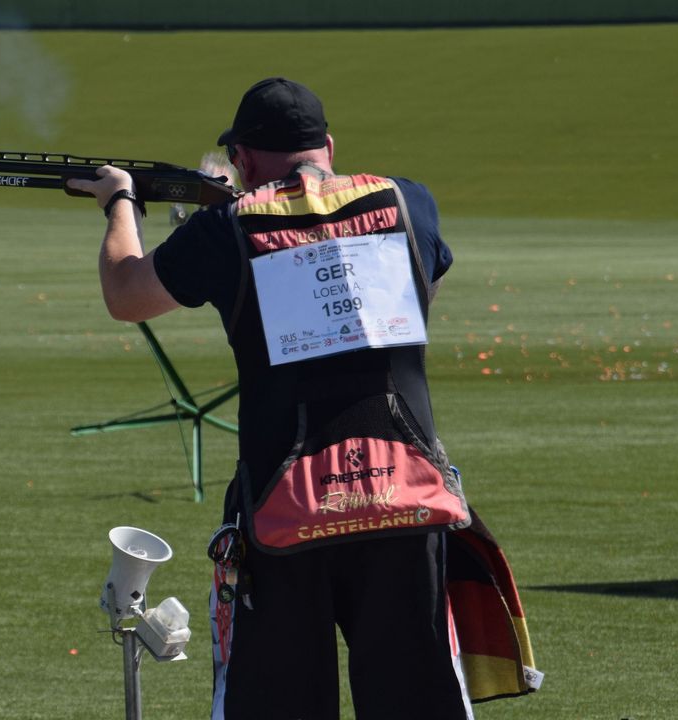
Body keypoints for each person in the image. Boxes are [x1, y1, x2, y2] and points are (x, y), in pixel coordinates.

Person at [69, 77, 538, 720]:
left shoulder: (227, 226)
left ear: (243, 159)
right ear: (328, 146)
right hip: (405, 496)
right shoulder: (410, 202)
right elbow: (420, 287)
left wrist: (121, 199)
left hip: (283, 510)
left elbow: (127, 294)